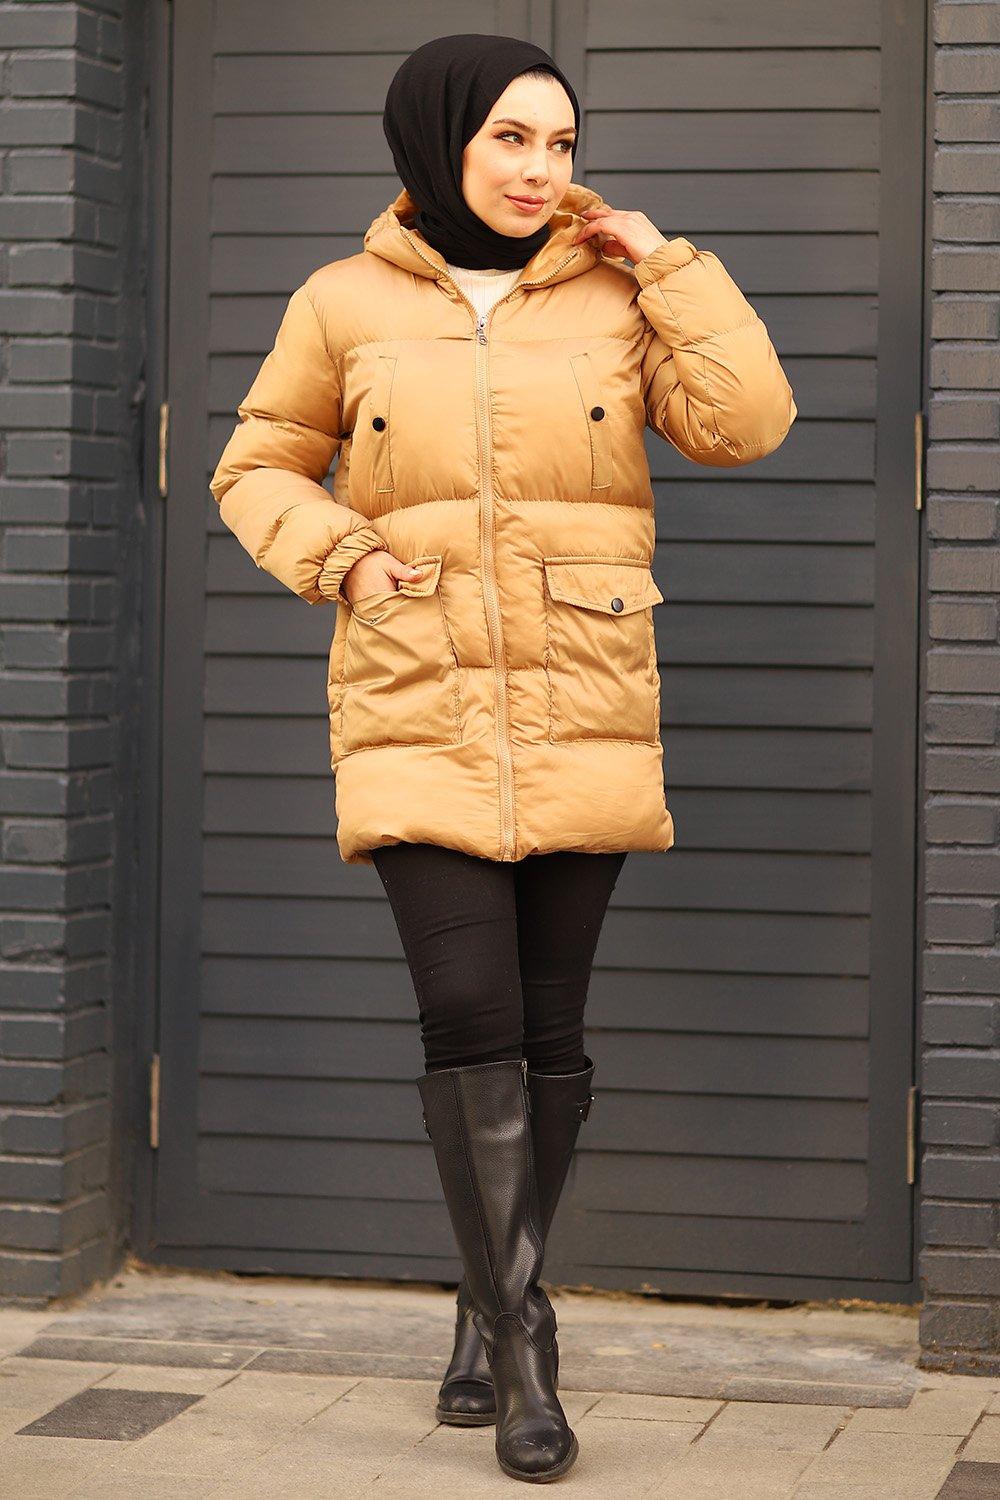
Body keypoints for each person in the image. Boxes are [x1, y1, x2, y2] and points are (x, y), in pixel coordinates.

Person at [209, 32, 796, 1484]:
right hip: (416, 695)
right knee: (468, 1016)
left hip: (583, 693)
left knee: (551, 1032)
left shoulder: (617, 292)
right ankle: (527, 1345)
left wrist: (668, 264)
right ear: (439, 140)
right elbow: (256, 465)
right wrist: (343, 556)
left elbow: (747, 425)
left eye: (561, 143)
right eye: (511, 140)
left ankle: (483, 1306)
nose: (543, 170)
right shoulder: (341, 301)